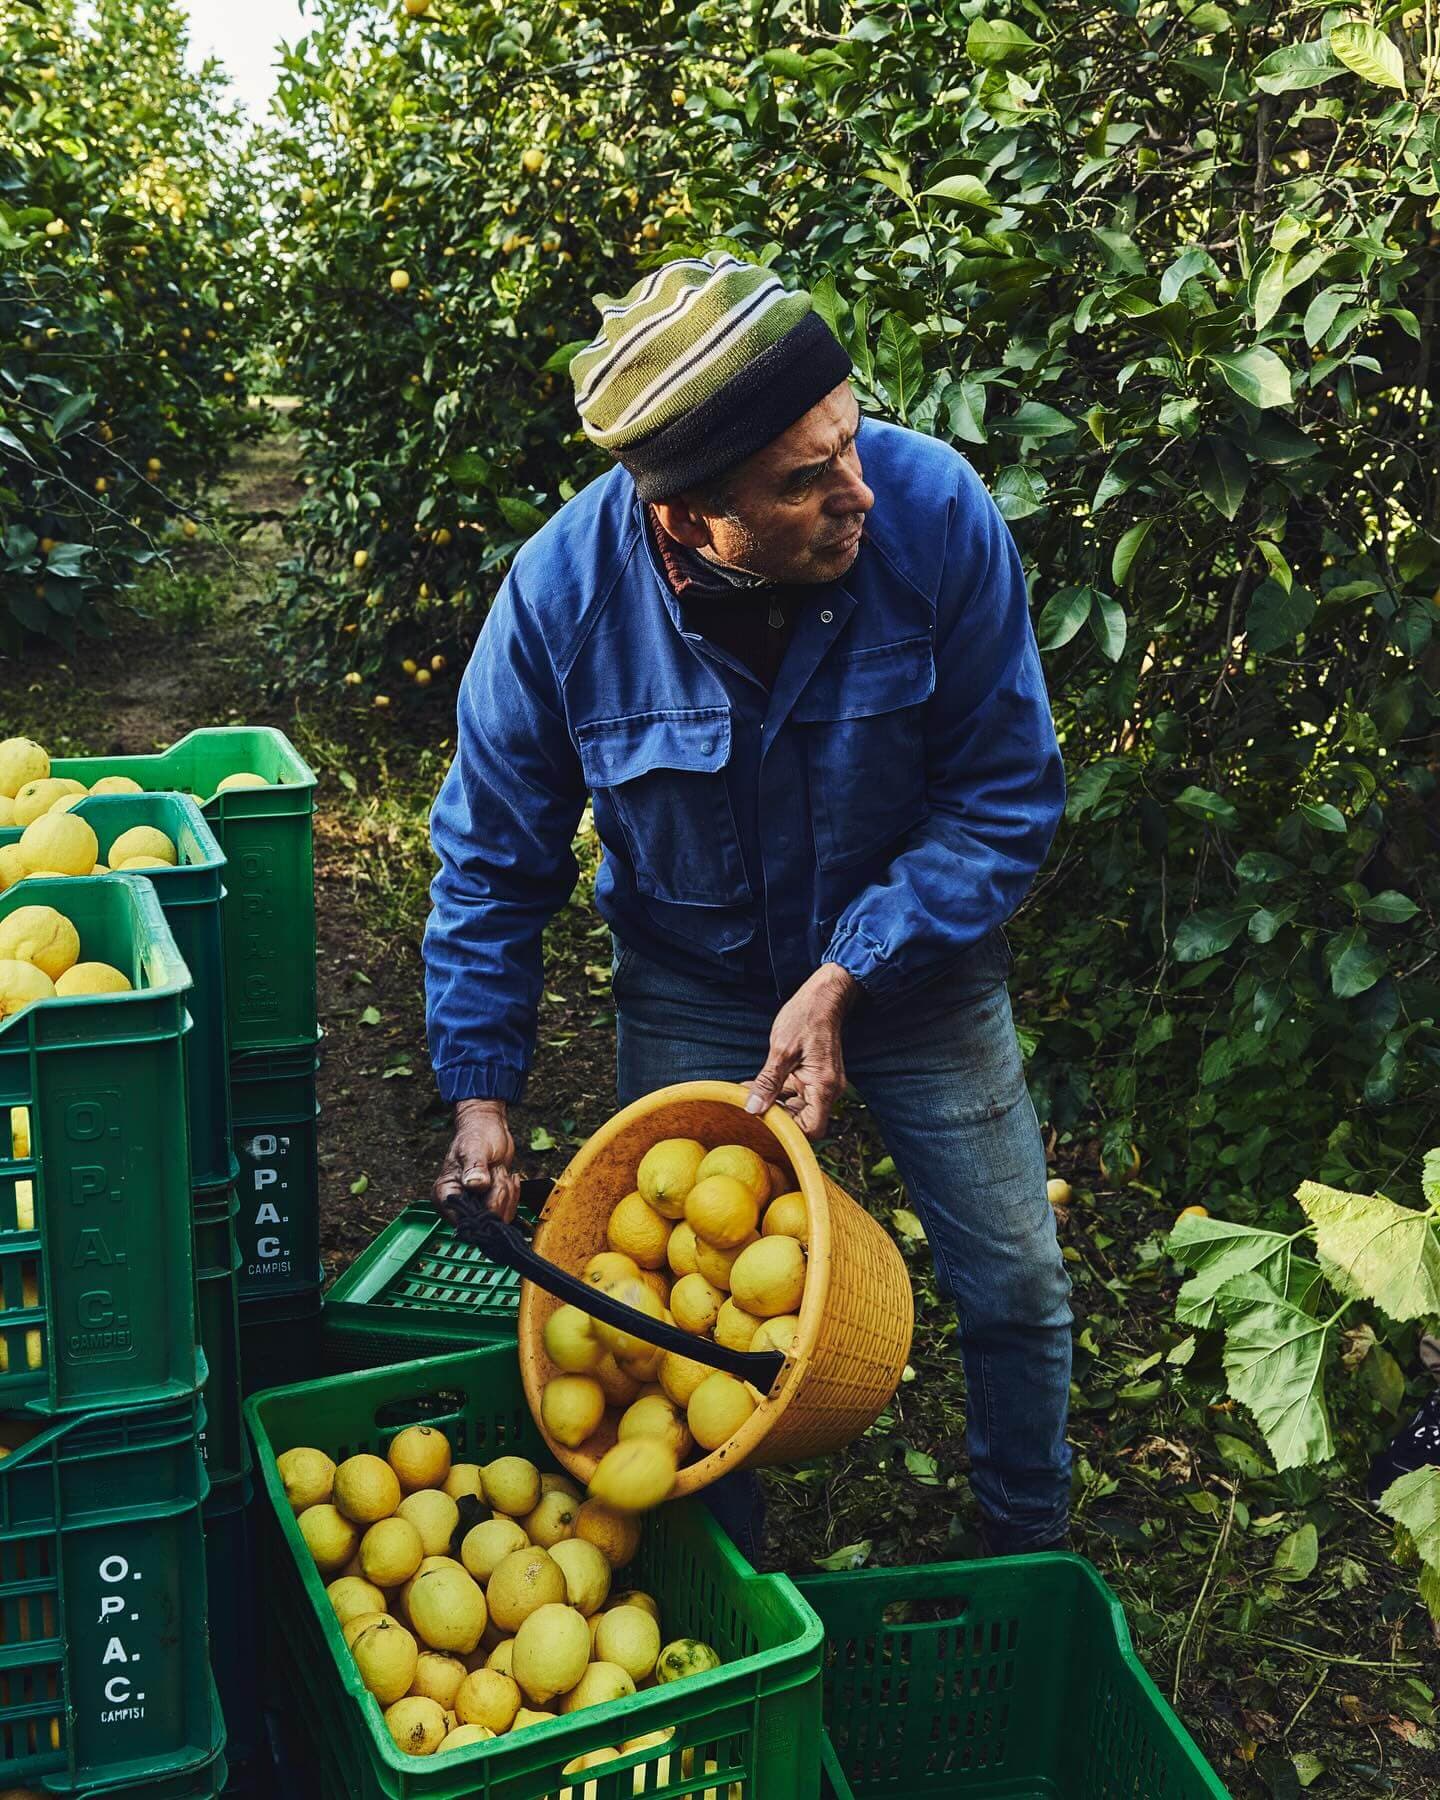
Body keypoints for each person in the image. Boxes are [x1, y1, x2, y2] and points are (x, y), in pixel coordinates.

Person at [424, 252, 1073, 1556]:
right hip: (696, 976)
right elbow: (494, 860)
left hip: (915, 967)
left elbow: (1006, 798)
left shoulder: (937, 516)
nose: (858, 493)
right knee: (682, 1313)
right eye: (803, 479)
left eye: (850, 436)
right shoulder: (562, 601)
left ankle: (1030, 1544)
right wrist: (482, 1099)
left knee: (1013, 1283)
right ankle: (729, 1579)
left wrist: (845, 974)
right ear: (688, 517)